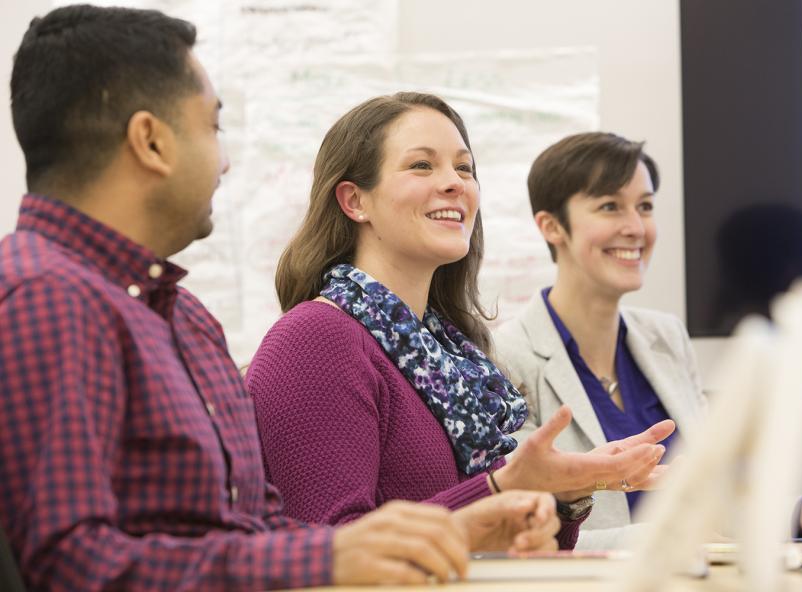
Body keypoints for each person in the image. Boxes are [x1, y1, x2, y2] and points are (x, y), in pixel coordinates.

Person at [0, 6, 562, 590]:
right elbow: (70, 567)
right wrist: (328, 559)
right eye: (212, 128)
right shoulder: (50, 297)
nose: (223, 161)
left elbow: (262, 531)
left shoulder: (183, 318)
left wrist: (470, 521)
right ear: (151, 141)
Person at [246, 93, 676, 549]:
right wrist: (502, 488)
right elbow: (336, 554)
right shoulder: (314, 340)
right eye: (421, 166)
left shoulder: (451, 353)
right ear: (354, 201)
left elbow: (498, 544)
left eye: (465, 168)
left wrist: (562, 493)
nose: (455, 184)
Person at [492, 132, 708, 550]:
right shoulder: (505, 358)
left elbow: (718, 495)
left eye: (644, 207)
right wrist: (674, 538)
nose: (635, 228)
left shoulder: (667, 337)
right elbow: (520, 535)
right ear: (551, 226)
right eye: (610, 206)